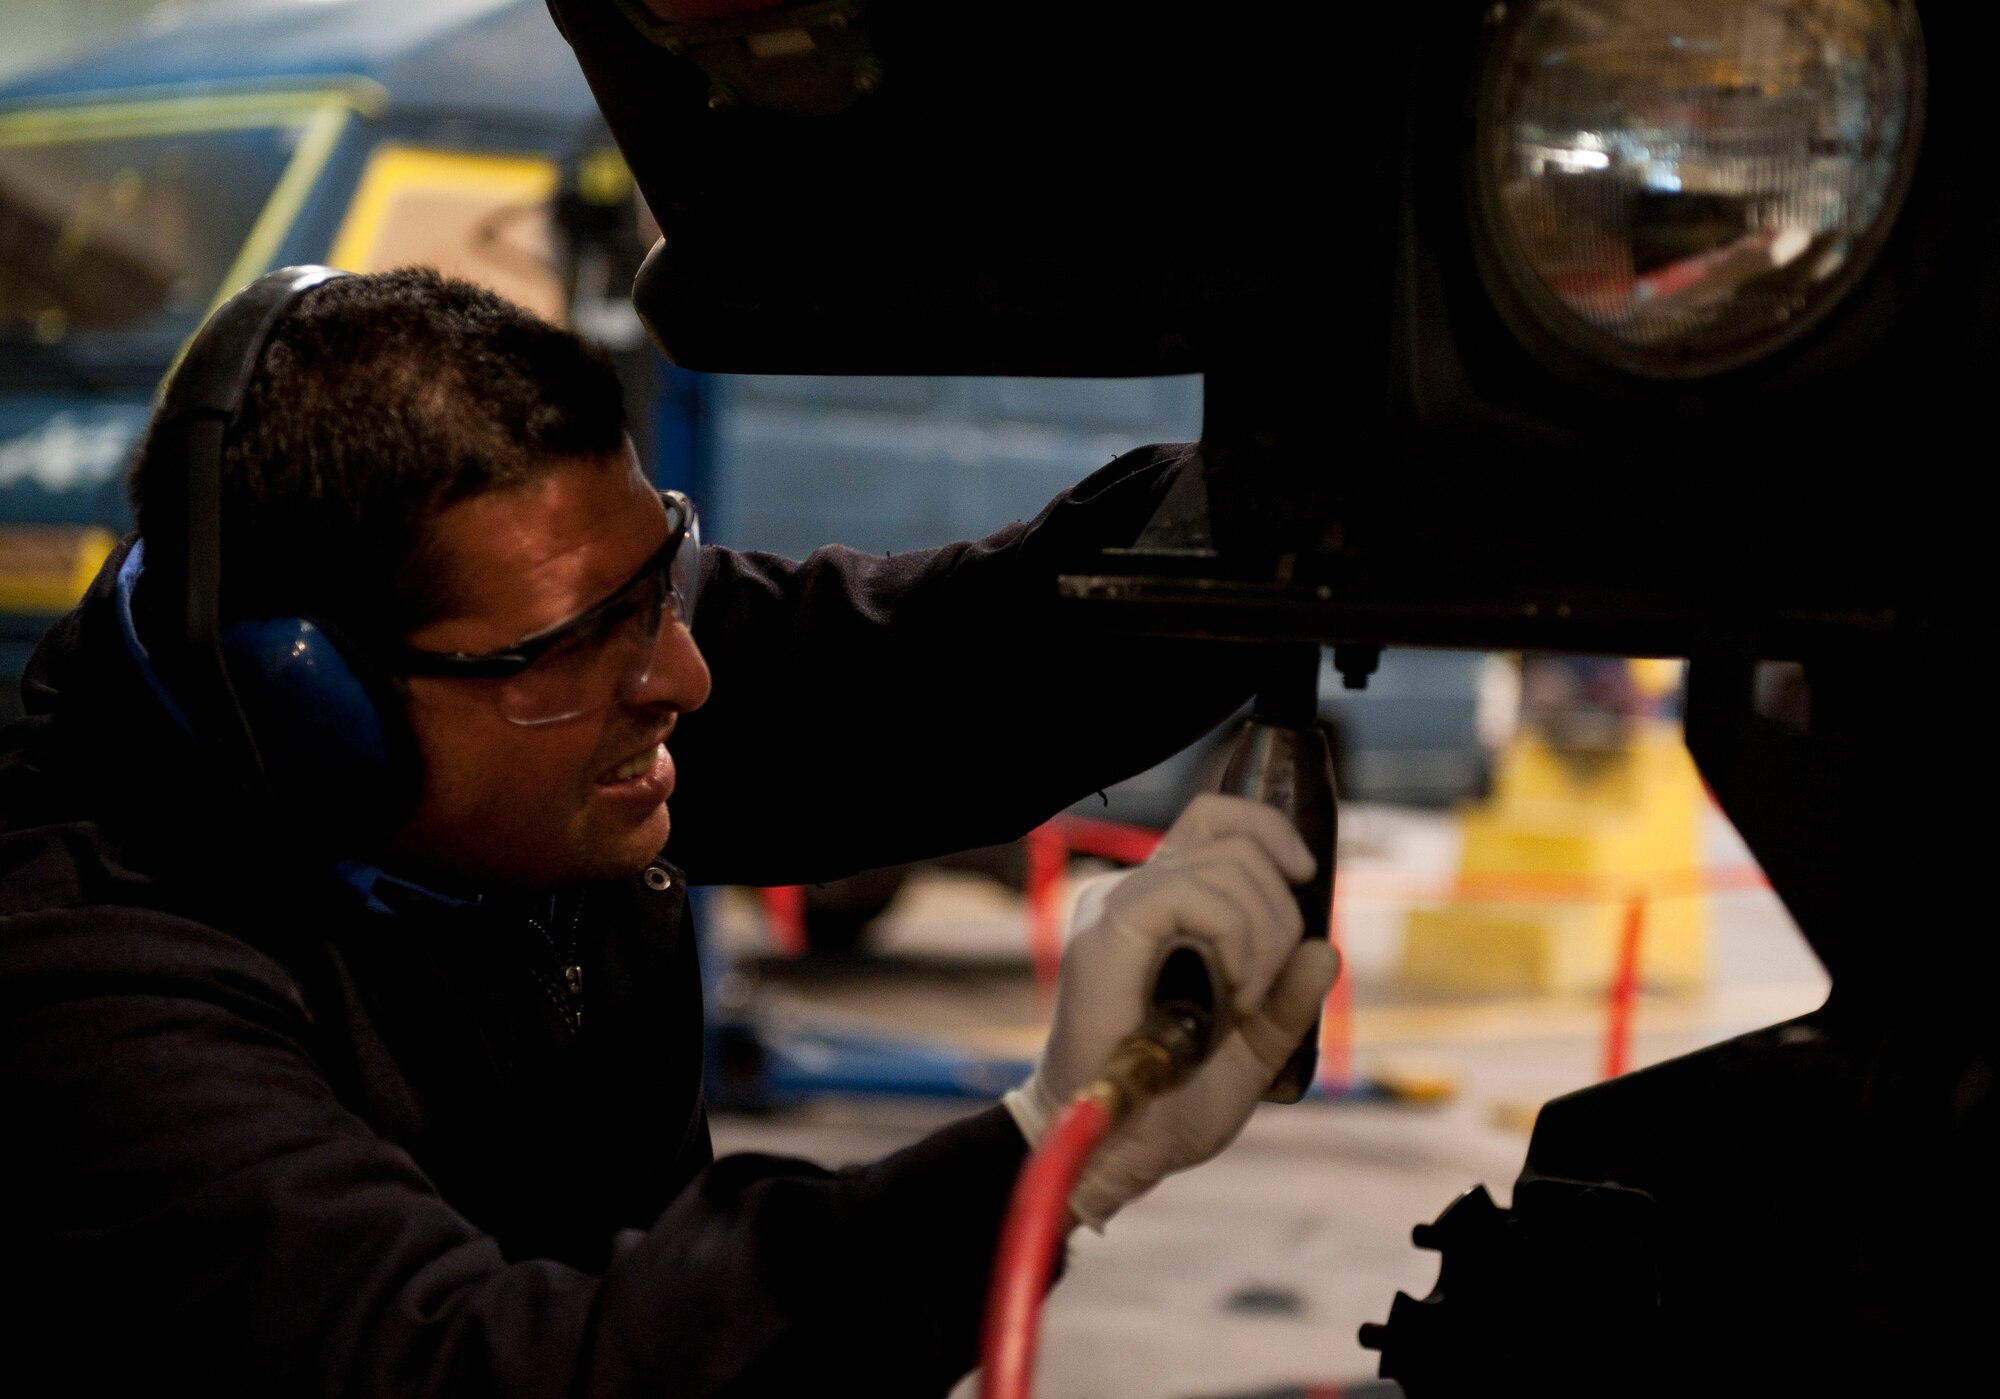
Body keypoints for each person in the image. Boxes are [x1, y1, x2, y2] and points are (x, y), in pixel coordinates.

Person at [0, 267, 1336, 1397]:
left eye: (662, 587)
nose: (682, 678)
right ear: (318, 707)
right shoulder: (85, 985)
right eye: (587, 639)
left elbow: (926, 673)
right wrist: (1036, 1153)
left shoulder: (537, 713)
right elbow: (496, 1369)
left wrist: (1293, 497)